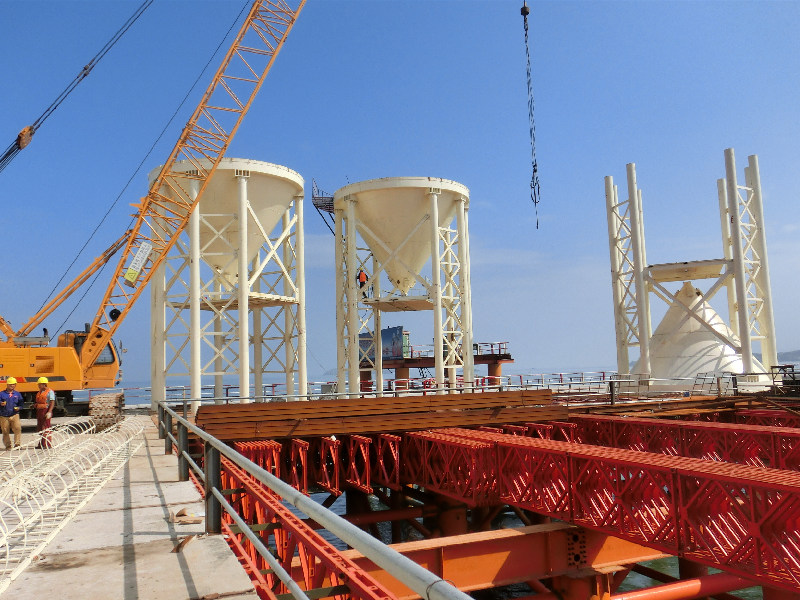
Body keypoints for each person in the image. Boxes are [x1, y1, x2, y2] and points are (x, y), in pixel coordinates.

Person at [0, 377, 23, 450]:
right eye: (10, 385)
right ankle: (8, 446)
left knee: (17, 428)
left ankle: (17, 444)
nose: (12, 386)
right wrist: (1, 403)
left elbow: (21, 403)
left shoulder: (17, 394)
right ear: (7, 385)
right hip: (4, 415)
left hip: (14, 414)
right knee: (5, 431)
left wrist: (19, 408)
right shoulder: (1, 394)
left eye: (13, 385)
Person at [35, 376, 56, 449]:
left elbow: (52, 402)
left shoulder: (50, 392)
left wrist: (49, 412)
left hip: (45, 411)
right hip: (39, 411)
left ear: (44, 384)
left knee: (46, 427)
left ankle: (47, 444)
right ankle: (41, 443)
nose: (38, 386)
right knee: (40, 428)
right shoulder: (39, 392)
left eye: (40, 384)